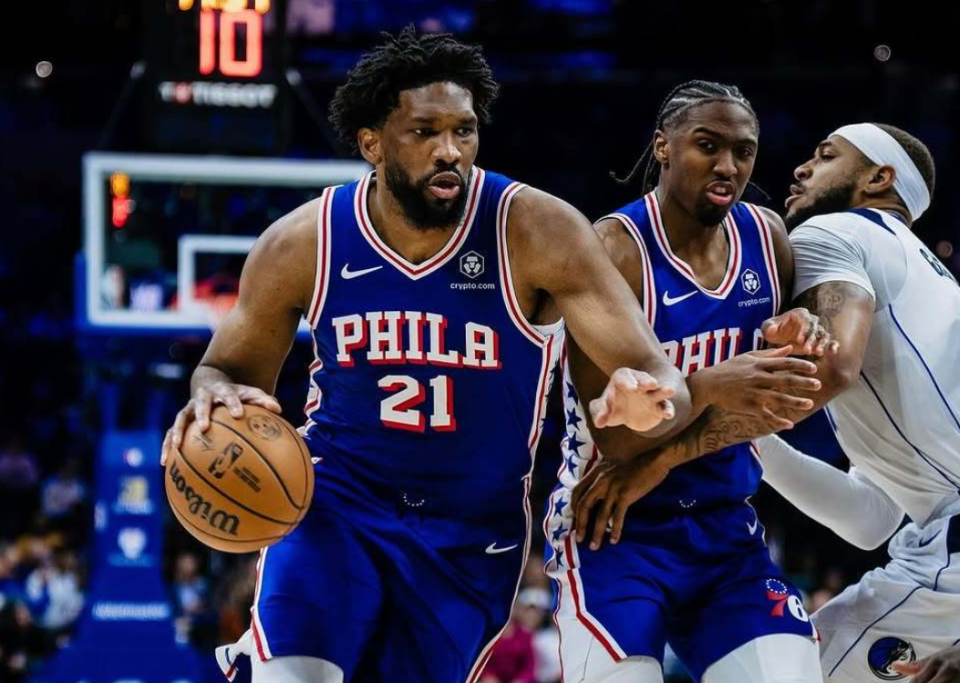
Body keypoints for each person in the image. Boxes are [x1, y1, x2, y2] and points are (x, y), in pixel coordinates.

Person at [161, 27, 696, 683]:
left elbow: (663, 377)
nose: (450, 151)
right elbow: (226, 369)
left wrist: (649, 403)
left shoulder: (538, 231)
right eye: (424, 132)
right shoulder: (303, 243)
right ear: (372, 144)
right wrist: (211, 391)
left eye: (464, 131)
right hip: (337, 505)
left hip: (469, 534)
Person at [576, 121, 957, 683]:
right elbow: (871, 519)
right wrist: (756, 441)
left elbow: (829, 369)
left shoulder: (834, 231)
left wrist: (663, 457)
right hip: (938, 547)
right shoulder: (923, 279)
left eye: (826, 155)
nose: (802, 168)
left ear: (879, 179)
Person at [551, 81, 830, 683]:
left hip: (725, 527)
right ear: (663, 147)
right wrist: (709, 384)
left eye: (743, 151)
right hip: (614, 530)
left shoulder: (767, 238)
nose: (728, 165)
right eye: (708, 145)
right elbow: (619, 442)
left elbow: (782, 399)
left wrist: (799, 330)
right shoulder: (615, 249)